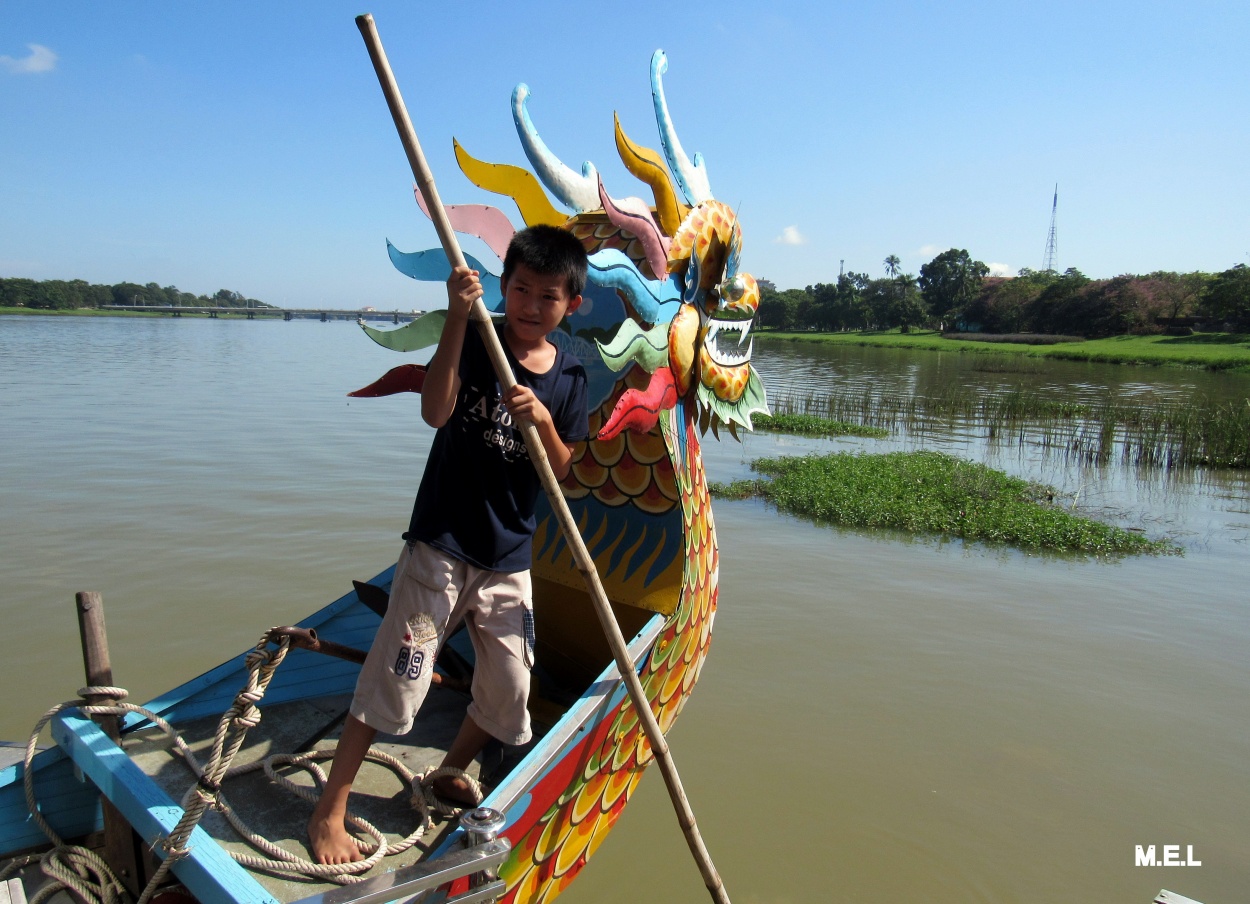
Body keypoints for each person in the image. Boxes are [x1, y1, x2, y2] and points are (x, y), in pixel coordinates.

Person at [308, 225, 589, 865]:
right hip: (442, 542)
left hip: (509, 556)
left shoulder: (570, 377)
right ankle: (330, 809)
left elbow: (564, 471)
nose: (529, 304)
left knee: (512, 688)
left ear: (569, 304)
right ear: (504, 286)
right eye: (519, 288)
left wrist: (542, 420)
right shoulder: (481, 341)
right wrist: (460, 317)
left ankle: (450, 769)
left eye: (548, 295)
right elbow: (435, 412)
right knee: (398, 675)